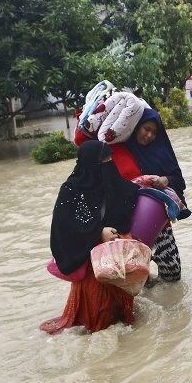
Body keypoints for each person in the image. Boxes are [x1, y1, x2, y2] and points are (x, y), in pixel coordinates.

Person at [41, 140, 140, 334]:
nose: (110, 164)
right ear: (90, 164)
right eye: (104, 160)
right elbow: (64, 226)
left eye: (111, 158)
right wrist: (98, 232)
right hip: (92, 264)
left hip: (117, 259)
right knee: (98, 316)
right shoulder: (71, 190)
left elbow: (130, 198)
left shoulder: (115, 184)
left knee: (124, 320)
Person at [122, 107, 188, 282]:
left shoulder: (161, 151)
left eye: (154, 132)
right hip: (129, 220)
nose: (149, 135)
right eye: (146, 129)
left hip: (157, 219)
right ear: (136, 127)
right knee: (135, 274)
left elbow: (179, 180)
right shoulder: (123, 150)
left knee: (172, 272)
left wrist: (166, 179)